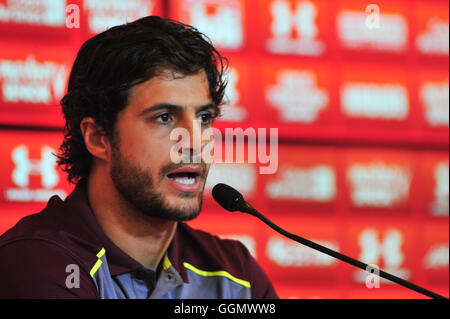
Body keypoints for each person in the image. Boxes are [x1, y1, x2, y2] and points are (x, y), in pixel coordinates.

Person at [0, 16, 278, 299]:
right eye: (165, 117)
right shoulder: (38, 264)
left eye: (204, 117)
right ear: (98, 138)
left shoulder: (236, 275)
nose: (195, 142)